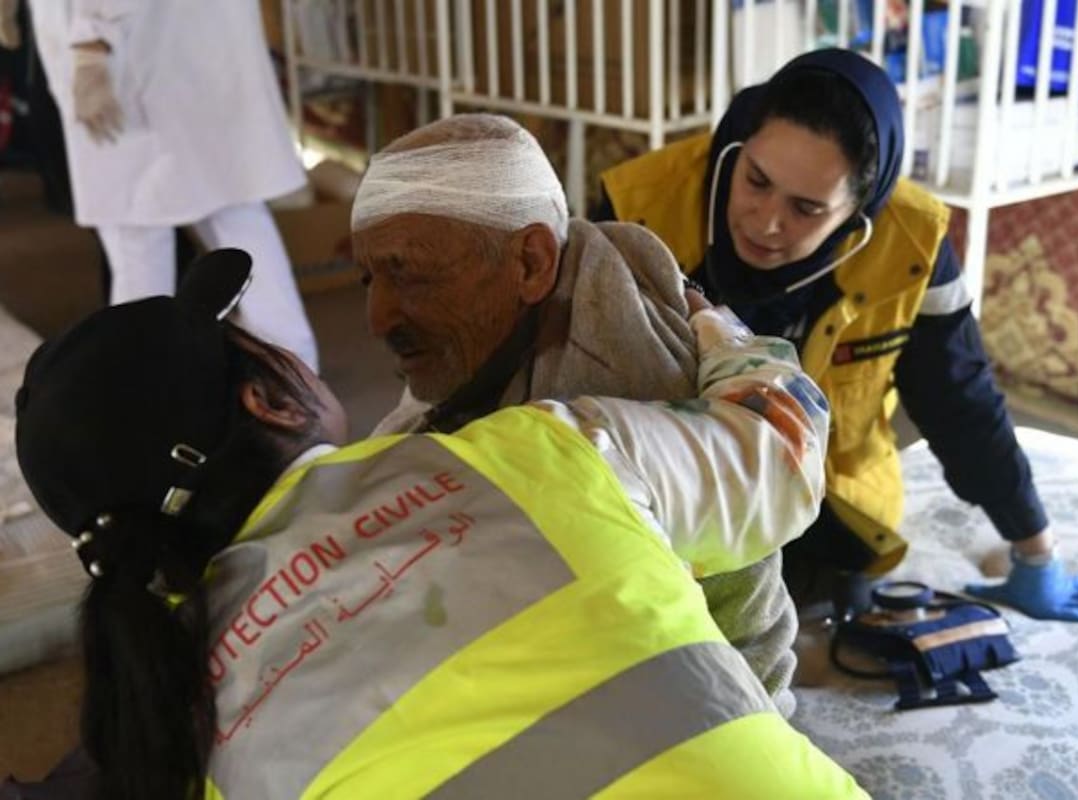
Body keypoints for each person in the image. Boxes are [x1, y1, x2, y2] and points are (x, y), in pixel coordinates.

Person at [13, 248, 865, 800]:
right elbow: (781, 450)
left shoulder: (186, 731)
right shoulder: (532, 454)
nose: (383, 320)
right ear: (267, 398)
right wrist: (714, 322)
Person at [595, 48, 1078, 624]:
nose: (765, 221)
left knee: (822, 628)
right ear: (740, 147)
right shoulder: (638, 208)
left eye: (806, 208)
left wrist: (1035, 552)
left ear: (858, 211)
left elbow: (960, 402)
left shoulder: (910, 243)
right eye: (756, 181)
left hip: (824, 508)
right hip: (662, 496)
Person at [354, 114, 803, 716]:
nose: (376, 317)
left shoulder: (612, 403)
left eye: (408, 273)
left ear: (533, 262)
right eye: (368, 277)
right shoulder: (579, 268)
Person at [23, 0, 318, 370]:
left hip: (135, 62)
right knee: (235, 217)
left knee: (138, 238)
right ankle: (293, 371)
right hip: (183, 57)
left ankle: (147, 387)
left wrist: (92, 43)